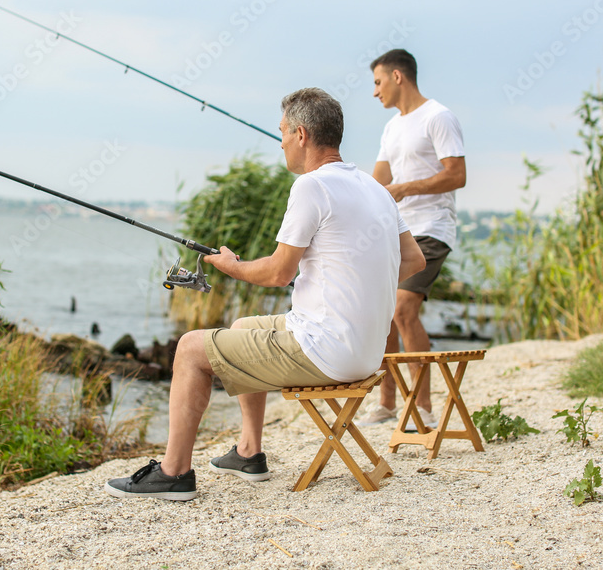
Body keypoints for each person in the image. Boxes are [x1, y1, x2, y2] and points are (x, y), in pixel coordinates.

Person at [104, 87, 425, 501]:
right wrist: (349, 271)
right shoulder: (375, 189)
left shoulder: (312, 187)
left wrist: (230, 266)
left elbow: (277, 272)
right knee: (243, 326)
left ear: (302, 134)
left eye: (283, 132)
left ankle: (174, 472)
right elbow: (413, 260)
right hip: (366, 352)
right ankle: (249, 451)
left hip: (326, 351)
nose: (281, 142)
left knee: (188, 348)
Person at [358, 49, 466, 430]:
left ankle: (423, 407)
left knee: (404, 309)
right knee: (385, 314)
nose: (375, 92)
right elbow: (377, 182)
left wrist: (406, 188)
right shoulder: (392, 128)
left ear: (397, 76)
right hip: (398, 230)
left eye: (377, 81)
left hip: (432, 228)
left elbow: (457, 175)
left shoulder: (438, 117)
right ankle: (387, 403)